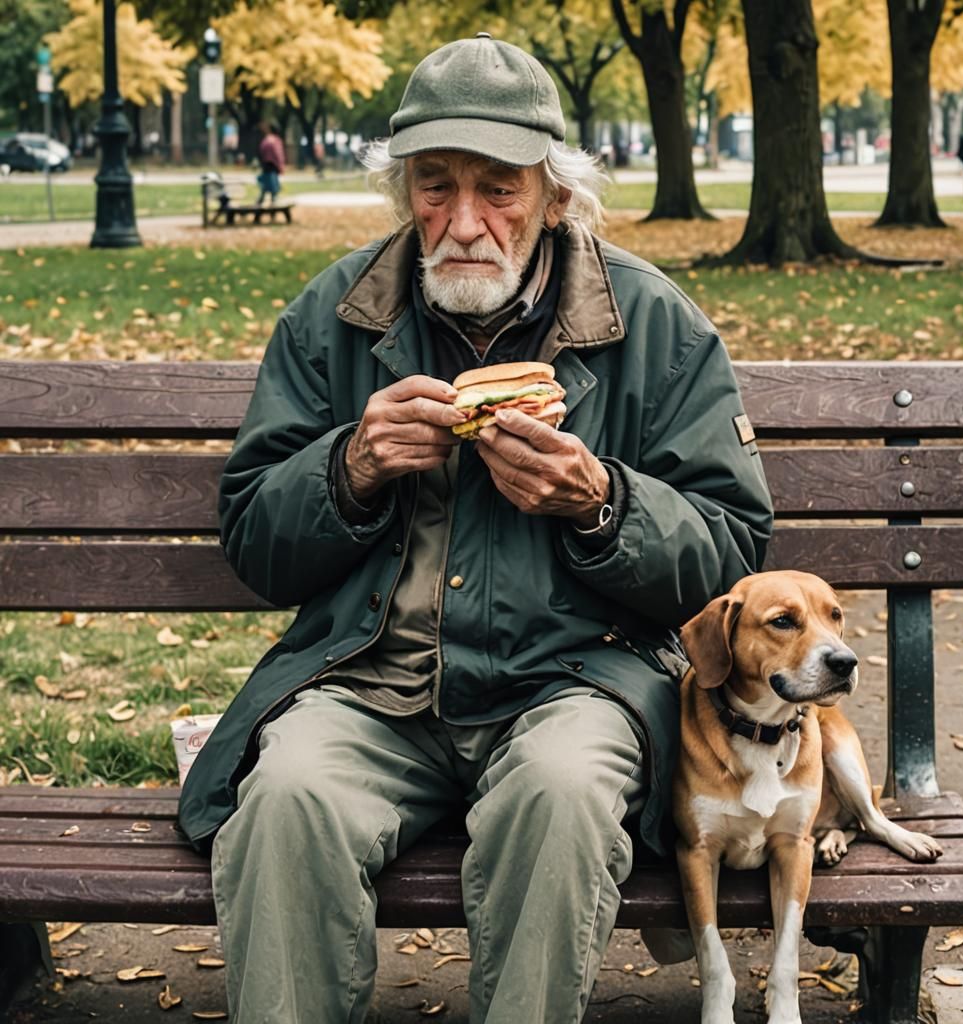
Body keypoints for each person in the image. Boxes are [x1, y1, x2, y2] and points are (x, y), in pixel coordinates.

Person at [178, 33, 773, 1024]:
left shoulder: (655, 326)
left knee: (563, 796)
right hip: (370, 680)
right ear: (403, 191)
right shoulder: (334, 317)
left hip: (573, 677)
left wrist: (601, 501)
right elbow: (252, 540)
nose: (462, 222)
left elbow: (728, 550)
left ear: (554, 196)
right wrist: (350, 468)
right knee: (285, 800)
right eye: (434, 185)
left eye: (497, 188)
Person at [256, 121, 285, 206]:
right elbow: (278, 154)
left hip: (265, 165)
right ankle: (273, 204)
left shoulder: (266, 140)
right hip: (273, 166)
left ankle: (260, 202)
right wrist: (281, 165)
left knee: (266, 186)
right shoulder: (276, 140)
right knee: (273, 187)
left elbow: (261, 152)